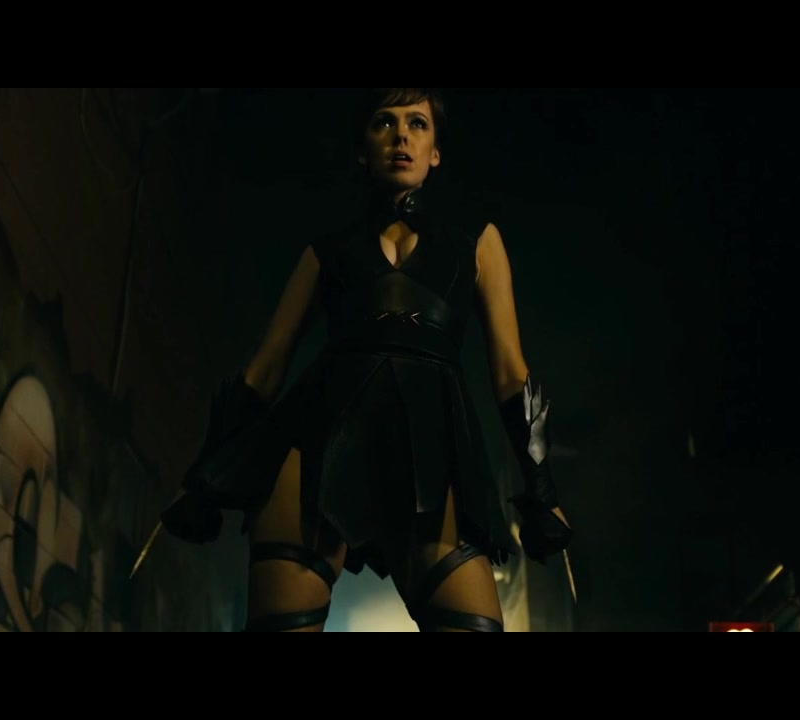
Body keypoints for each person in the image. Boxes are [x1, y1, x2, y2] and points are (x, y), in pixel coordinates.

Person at [160, 88, 572, 632]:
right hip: (321, 439)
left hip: (431, 449)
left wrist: (542, 489)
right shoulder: (327, 252)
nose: (401, 135)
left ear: (436, 152)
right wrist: (203, 477)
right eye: (385, 122)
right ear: (363, 149)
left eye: (417, 124)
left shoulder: (476, 242)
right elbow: (266, 369)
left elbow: (510, 373)